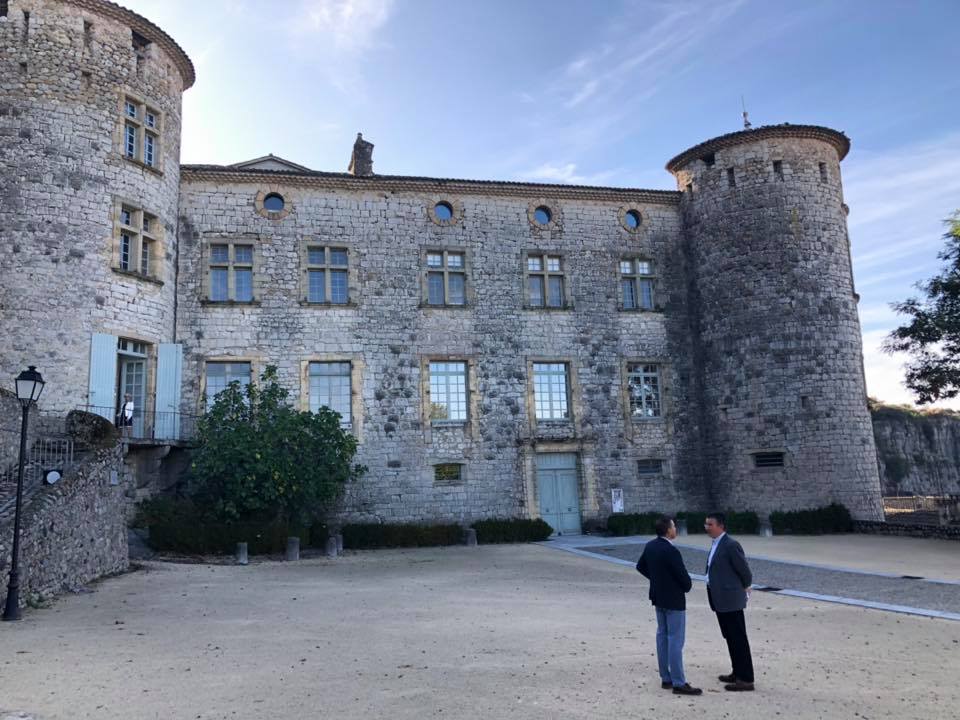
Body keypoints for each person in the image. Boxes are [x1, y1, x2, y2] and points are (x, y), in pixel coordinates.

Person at [636, 516, 702, 696]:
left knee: (662, 637)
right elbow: (685, 581)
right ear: (668, 530)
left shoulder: (650, 546)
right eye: (673, 526)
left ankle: (666, 678)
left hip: (658, 597)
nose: (675, 529)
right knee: (675, 640)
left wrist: (657, 580)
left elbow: (640, 566)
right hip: (673, 599)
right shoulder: (671, 551)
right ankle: (679, 682)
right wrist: (676, 583)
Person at [704, 512, 755, 691]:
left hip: (731, 600)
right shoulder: (717, 544)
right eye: (706, 524)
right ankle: (737, 671)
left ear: (721, 526)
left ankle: (746, 678)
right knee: (731, 637)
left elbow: (745, 571)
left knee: (738, 638)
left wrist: (745, 587)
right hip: (721, 599)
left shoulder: (731, 545)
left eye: (710, 524)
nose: (707, 527)